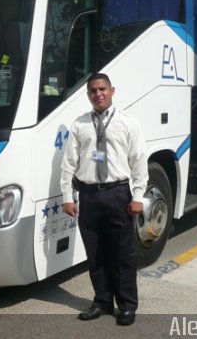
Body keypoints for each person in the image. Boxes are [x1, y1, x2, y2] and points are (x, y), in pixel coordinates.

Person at [61, 73, 148, 326]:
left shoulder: (127, 123)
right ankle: (101, 301)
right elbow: (69, 164)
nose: (98, 94)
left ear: (112, 91)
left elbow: (139, 160)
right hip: (88, 195)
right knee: (95, 252)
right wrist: (68, 196)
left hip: (118, 193)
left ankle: (127, 305)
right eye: (92, 91)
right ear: (88, 95)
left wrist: (139, 195)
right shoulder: (79, 125)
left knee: (123, 254)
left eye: (102, 89)